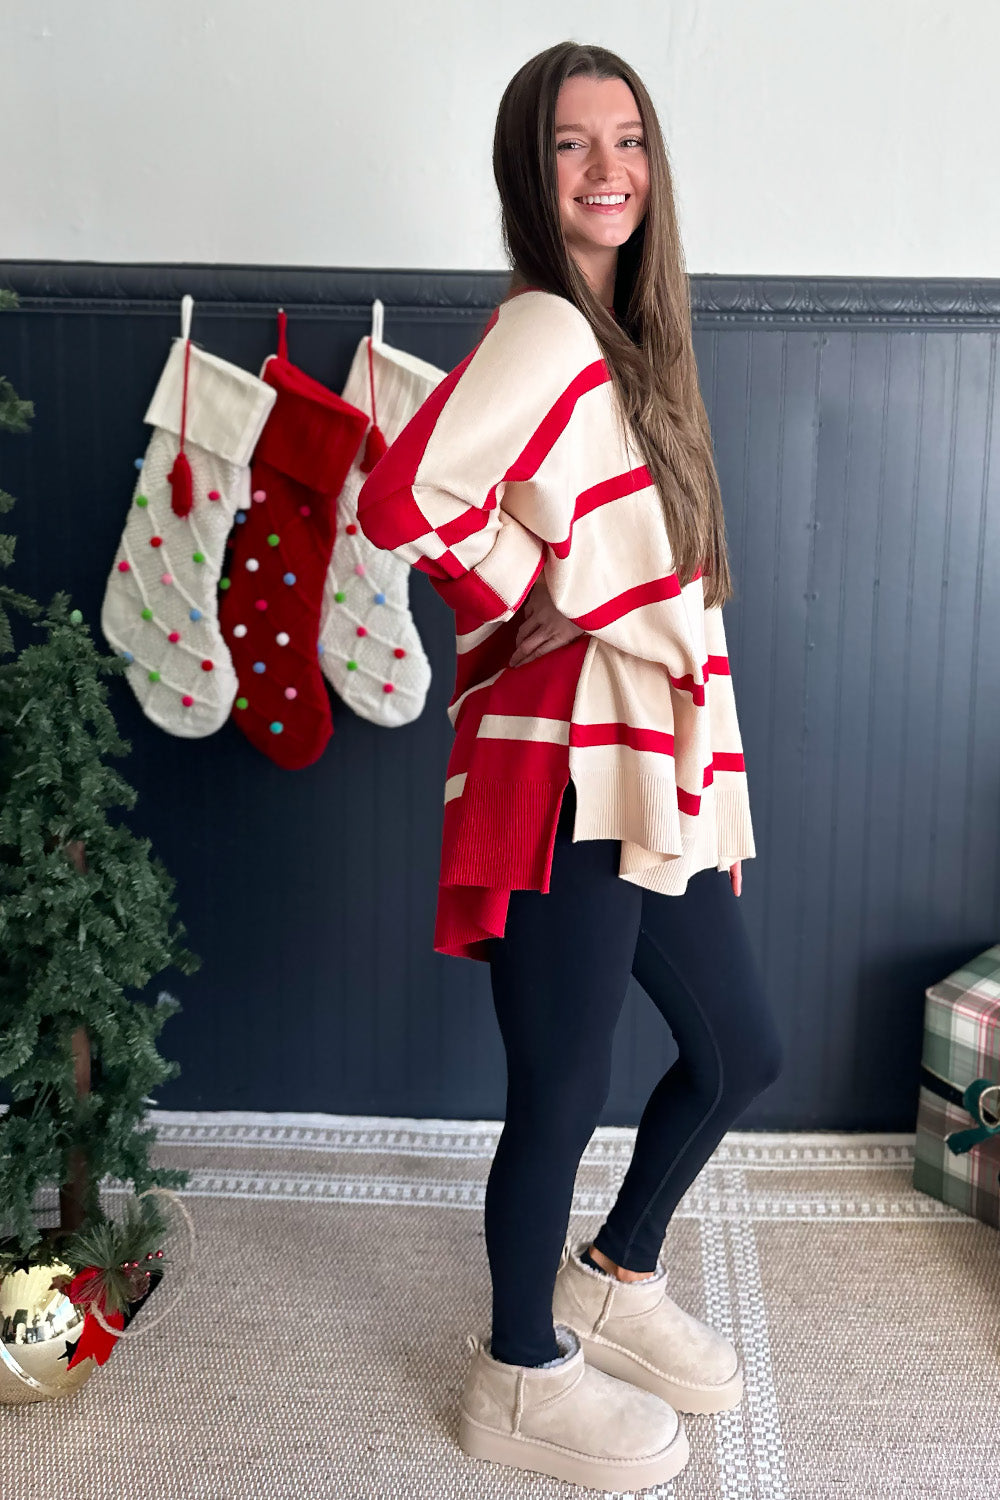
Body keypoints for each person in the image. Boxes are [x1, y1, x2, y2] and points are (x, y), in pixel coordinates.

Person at [358, 40, 784, 1494]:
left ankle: (615, 1273)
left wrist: (718, 794)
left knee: (742, 1053)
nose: (607, 171)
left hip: (649, 769)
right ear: (528, 177)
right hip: (558, 763)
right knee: (562, 1083)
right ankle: (518, 1372)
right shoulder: (543, 326)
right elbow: (401, 495)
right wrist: (525, 592)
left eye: (629, 142)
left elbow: (687, 604)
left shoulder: (641, 347)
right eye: (570, 146)